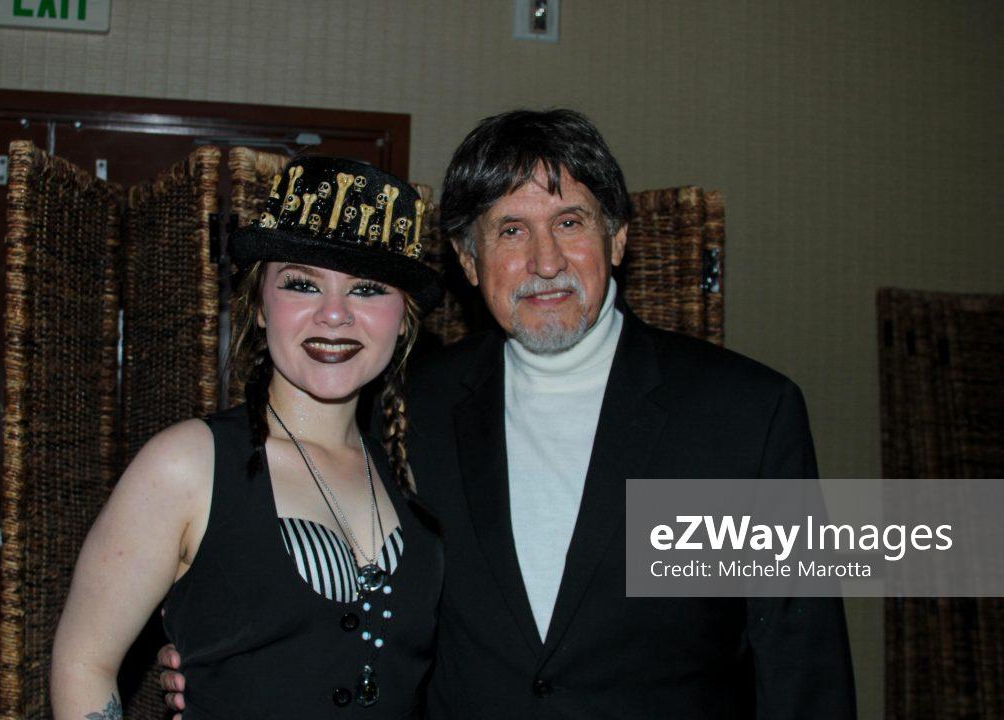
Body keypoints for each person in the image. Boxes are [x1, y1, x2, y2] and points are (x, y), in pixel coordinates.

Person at [161, 109, 857, 718]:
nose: (545, 261)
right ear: (468, 261)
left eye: (570, 223)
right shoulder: (404, 406)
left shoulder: (746, 414)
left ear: (617, 239)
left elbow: (804, 665)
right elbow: (345, 600)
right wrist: (227, 658)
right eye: (511, 230)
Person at [51, 156, 445, 718]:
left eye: (366, 289)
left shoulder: (416, 465)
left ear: (404, 318)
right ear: (259, 305)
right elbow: (83, 663)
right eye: (303, 284)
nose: (334, 315)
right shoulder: (187, 465)